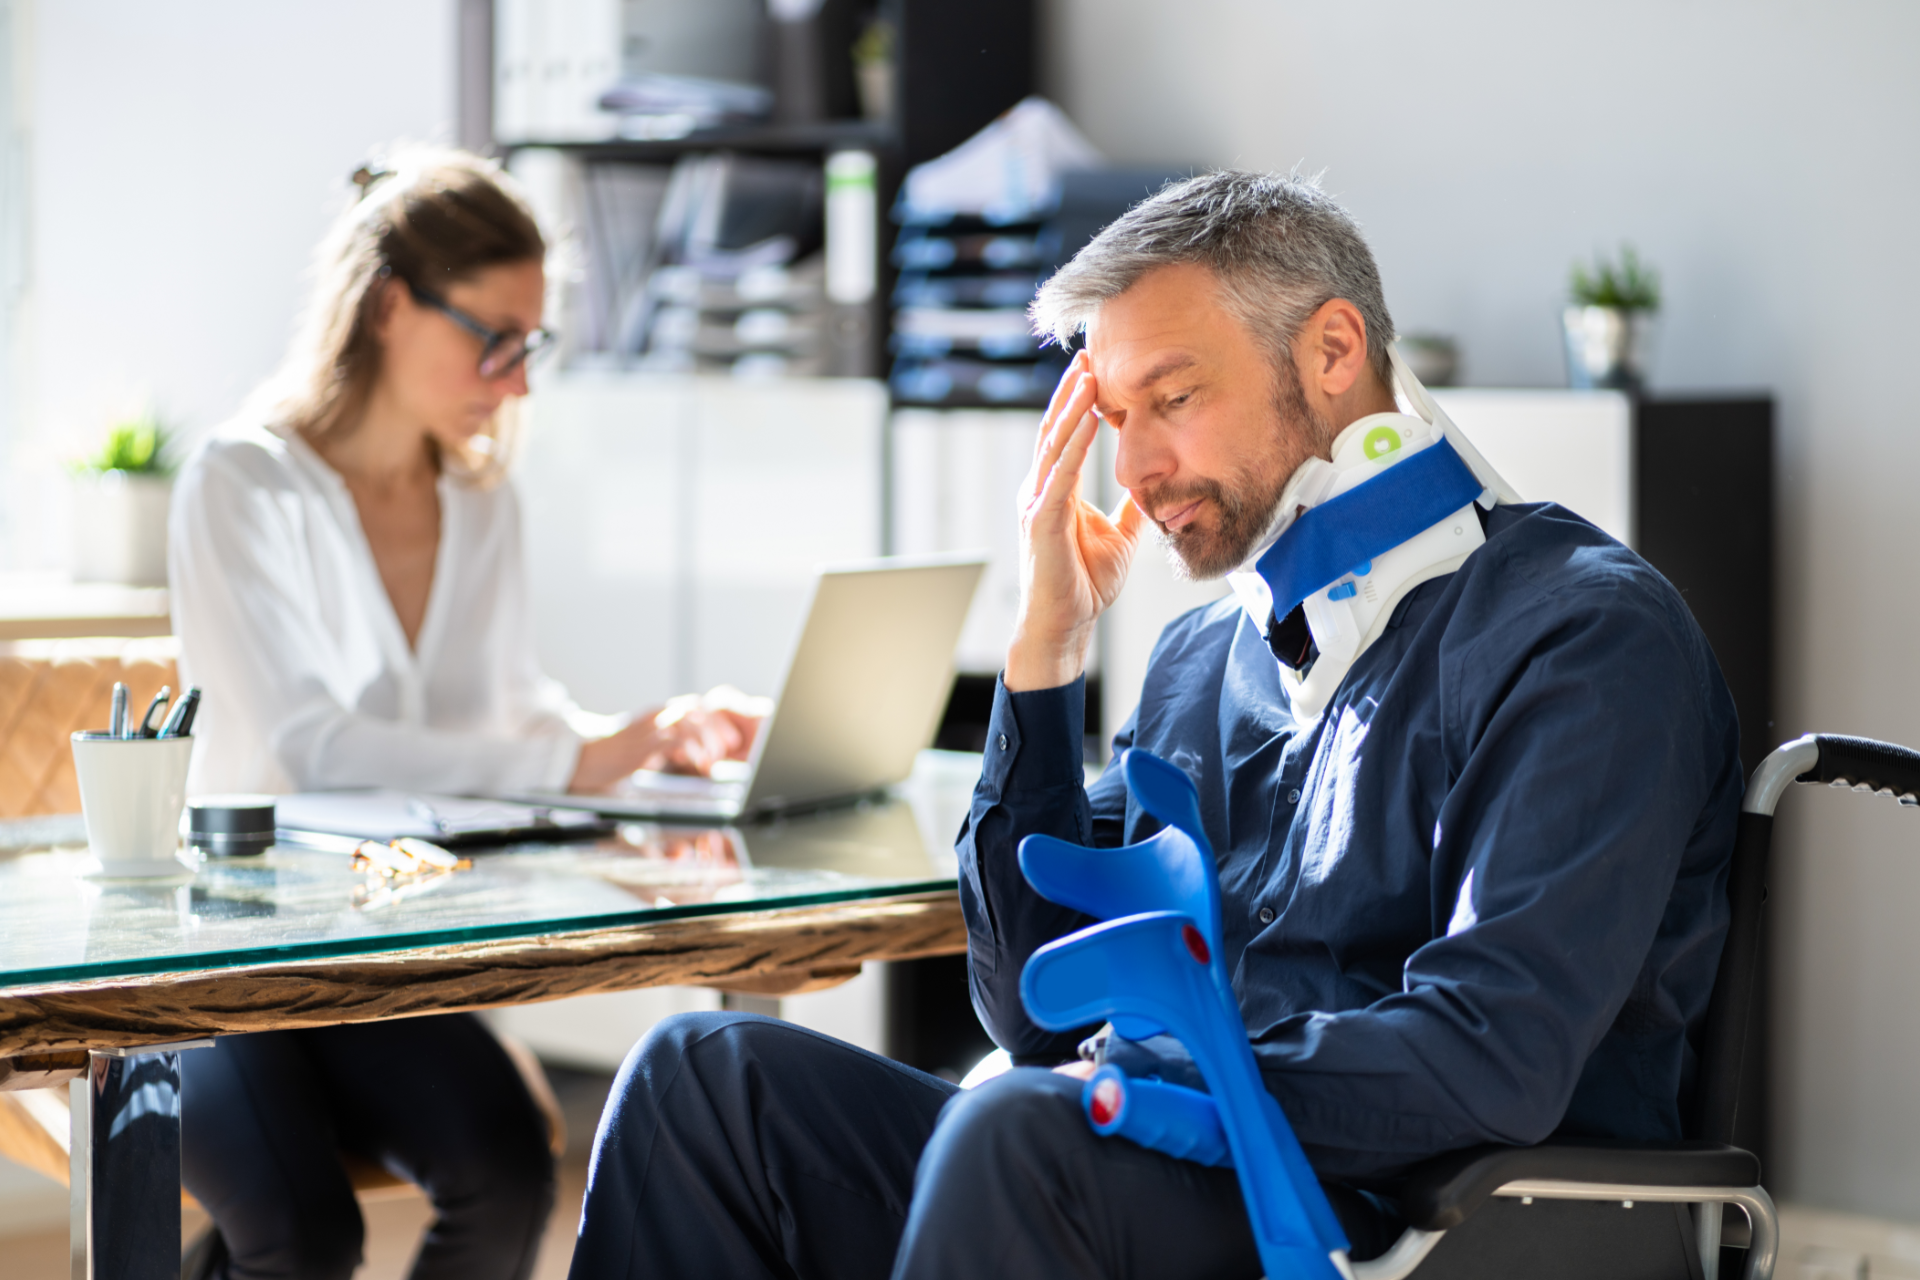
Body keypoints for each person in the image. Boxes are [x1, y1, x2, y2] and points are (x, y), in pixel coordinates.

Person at [565, 171, 1742, 1280]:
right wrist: (1046, 658)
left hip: (1421, 1213)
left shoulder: (1581, 636)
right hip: (1176, 1162)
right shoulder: (1205, 661)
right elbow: (1035, 1009)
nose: (1133, 466)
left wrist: (1147, 1077)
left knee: (1021, 1131)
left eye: (1173, 399)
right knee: (701, 1077)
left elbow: (1494, 1050)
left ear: (1335, 349)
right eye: (1116, 415)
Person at [167, 150, 758, 1280]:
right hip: (226, 964)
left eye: (531, 343)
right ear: (391, 305)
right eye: (497, 336)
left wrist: (649, 743)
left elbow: (506, 709)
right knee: (304, 1230)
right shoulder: (240, 485)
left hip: (380, 959)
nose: (518, 379)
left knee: (509, 1166)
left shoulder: (481, 499)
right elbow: (309, 753)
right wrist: (582, 752)